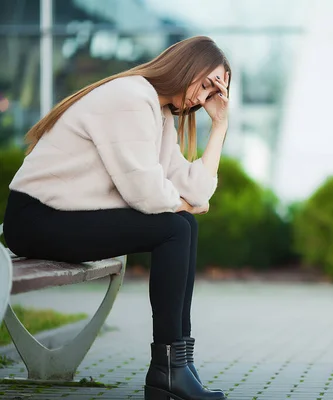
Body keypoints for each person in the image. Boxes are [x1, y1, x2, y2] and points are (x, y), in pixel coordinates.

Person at [2, 36, 230, 400]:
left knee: (183, 225)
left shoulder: (160, 114)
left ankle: (178, 364)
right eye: (204, 85)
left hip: (65, 217)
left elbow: (194, 190)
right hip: (36, 217)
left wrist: (219, 125)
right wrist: (184, 205)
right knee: (175, 227)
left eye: (212, 94)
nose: (203, 99)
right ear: (187, 65)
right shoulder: (131, 97)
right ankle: (167, 371)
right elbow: (144, 191)